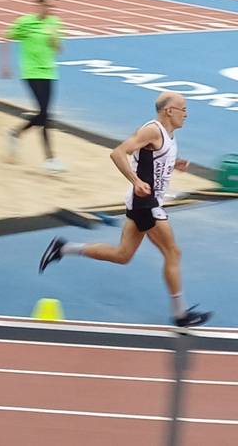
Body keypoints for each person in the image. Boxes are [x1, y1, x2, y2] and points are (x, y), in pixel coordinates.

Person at [38, 92, 211, 328]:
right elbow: (118, 153)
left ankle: (63, 248)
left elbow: (153, 157)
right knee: (173, 253)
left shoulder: (168, 135)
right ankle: (180, 315)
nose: (187, 114)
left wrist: (175, 163)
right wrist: (135, 181)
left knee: (123, 255)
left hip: (143, 203)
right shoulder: (152, 130)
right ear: (169, 110)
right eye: (183, 109)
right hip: (147, 204)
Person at [1, 0, 64, 172]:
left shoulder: (55, 22)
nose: (50, 10)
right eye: (47, 6)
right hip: (31, 71)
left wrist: (54, 37)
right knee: (45, 114)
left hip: (49, 72)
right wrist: (5, 65)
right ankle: (50, 158)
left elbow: (59, 49)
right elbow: (5, 37)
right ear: (39, 5)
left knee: (44, 113)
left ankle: (15, 133)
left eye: (53, 7)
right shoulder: (25, 22)